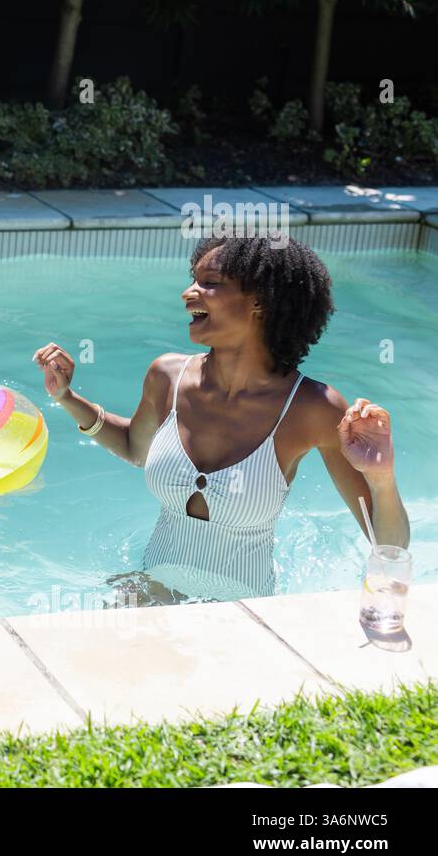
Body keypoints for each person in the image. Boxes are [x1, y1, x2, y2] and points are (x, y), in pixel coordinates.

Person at [33, 234, 409, 602]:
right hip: (149, 595)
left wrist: (381, 477)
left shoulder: (312, 407)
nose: (188, 293)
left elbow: (389, 547)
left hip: (244, 620)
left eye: (209, 283)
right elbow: (136, 449)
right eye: (192, 280)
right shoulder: (166, 376)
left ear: (261, 301)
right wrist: (67, 398)